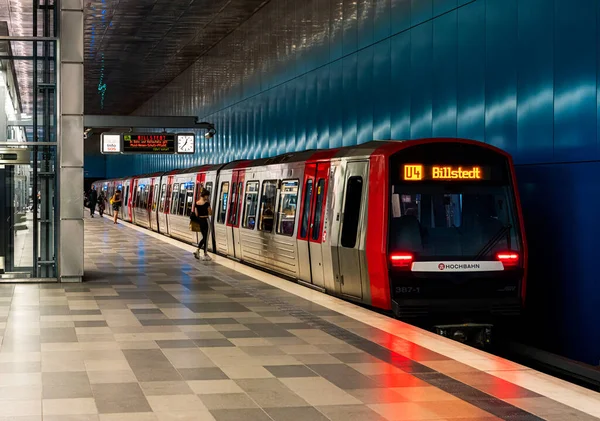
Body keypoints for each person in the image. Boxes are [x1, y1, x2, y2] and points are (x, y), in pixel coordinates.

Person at [193, 190, 212, 261]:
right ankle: (205, 254)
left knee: (204, 237)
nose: (207, 197)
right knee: (206, 238)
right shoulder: (207, 203)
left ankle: (197, 251)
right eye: (207, 196)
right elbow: (210, 213)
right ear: (205, 195)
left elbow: (196, 214)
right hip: (206, 220)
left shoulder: (197, 203)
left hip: (200, 221)